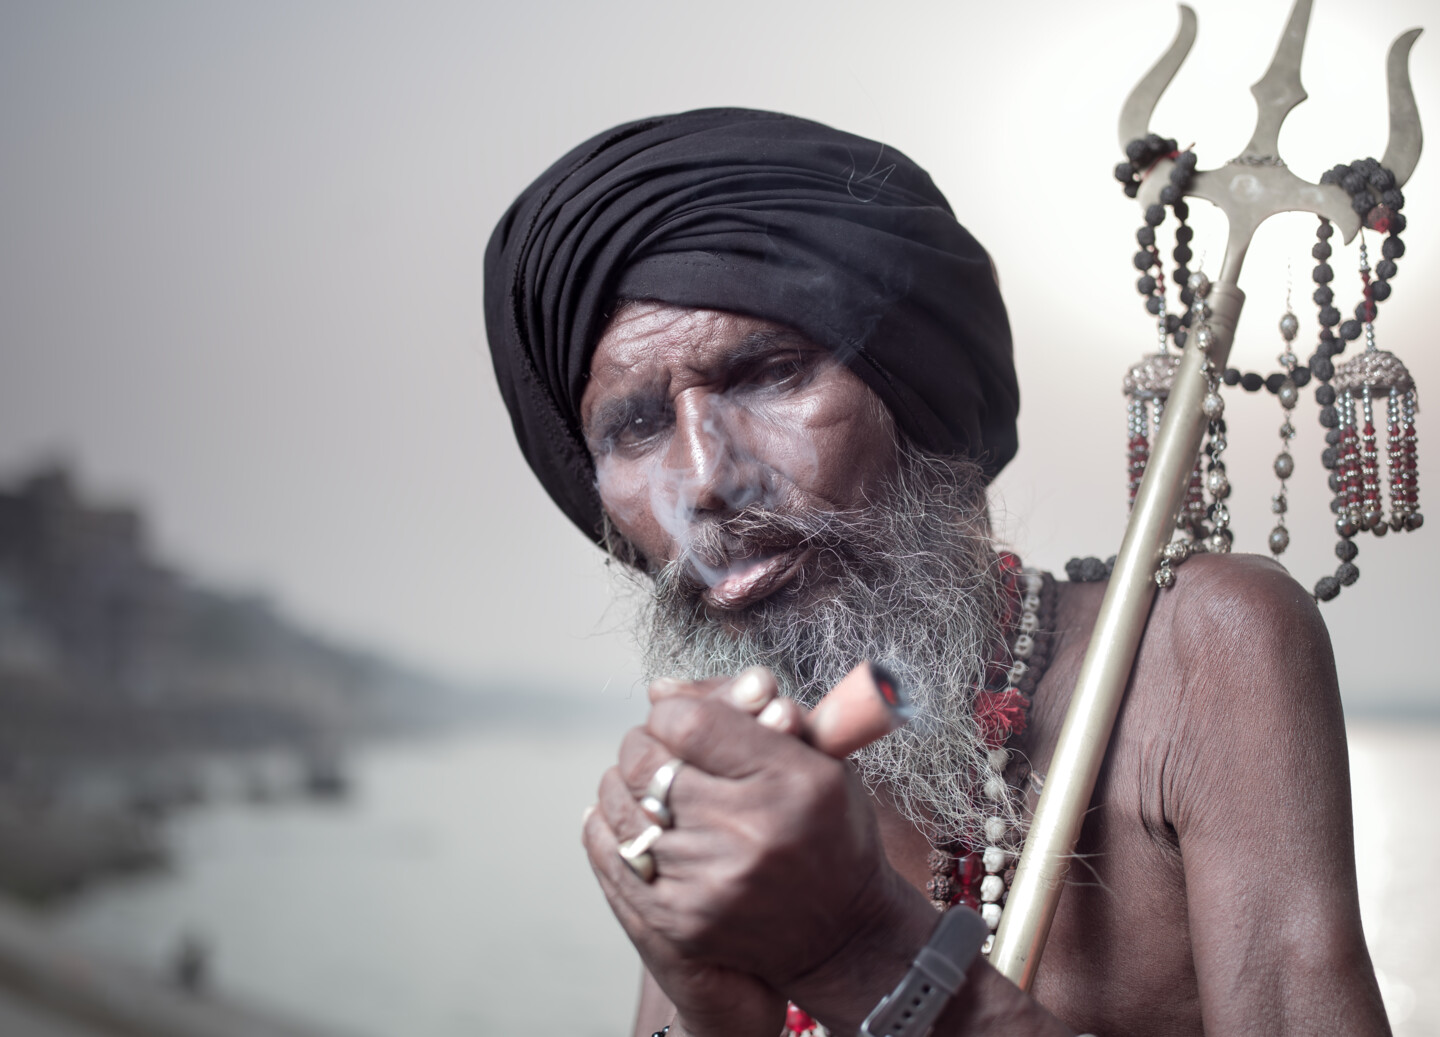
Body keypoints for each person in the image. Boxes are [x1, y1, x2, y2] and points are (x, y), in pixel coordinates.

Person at [483, 109, 1389, 1037]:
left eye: (768, 374)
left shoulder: (1200, 653)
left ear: (910, 387)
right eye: (635, 426)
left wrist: (856, 950)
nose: (707, 479)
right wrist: (715, 1010)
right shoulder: (712, 785)